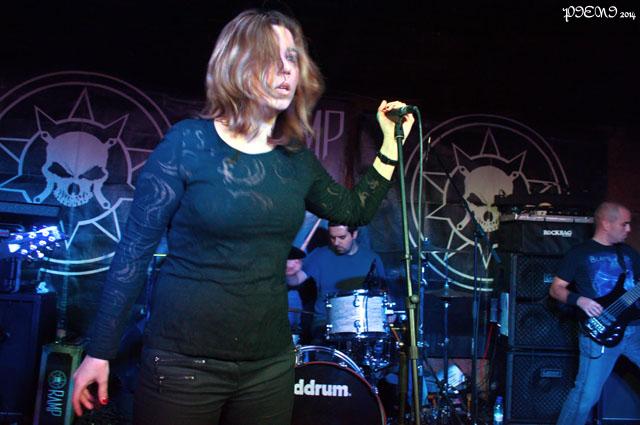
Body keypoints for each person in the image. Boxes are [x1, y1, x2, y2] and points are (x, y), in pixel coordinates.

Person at [71, 8, 415, 425]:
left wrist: (391, 145)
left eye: (292, 58)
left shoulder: (295, 160)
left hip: (267, 368)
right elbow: (133, 253)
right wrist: (100, 351)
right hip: (182, 364)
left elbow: (353, 209)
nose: (286, 69)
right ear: (239, 64)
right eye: (271, 56)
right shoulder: (187, 144)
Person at [549, 201, 640, 425]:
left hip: (635, 330)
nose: (629, 229)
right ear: (607, 224)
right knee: (585, 396)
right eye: (625, 224)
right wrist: (579, 300)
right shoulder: (580, 253)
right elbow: (555, 289)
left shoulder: (629, 253)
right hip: (599, 333)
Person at [287, 222, 386, 342]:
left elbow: (383, 293)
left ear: (354, 234)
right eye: (332, 237)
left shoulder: (372, 258)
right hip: (325, 323)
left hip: (362, 322)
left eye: (342, 237)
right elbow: (296, 280)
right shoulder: (319, 255)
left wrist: (388, 313)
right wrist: (290, 273)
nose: (336, 242)